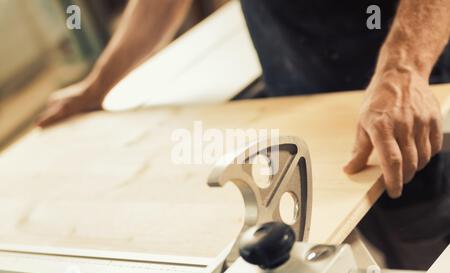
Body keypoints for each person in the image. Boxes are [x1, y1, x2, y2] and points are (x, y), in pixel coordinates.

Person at [37, 0, 450, 200]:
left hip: (409, 96)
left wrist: (404, 68)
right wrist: (96, 88)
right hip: (301, 99)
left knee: (414, 233)